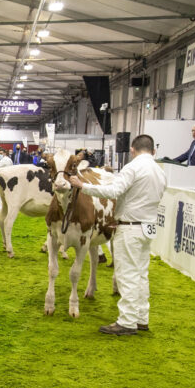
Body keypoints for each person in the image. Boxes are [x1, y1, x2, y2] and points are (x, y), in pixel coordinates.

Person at [68, 133, 166, 336]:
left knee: (127, 274)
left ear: (132, 150)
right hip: (147, 226)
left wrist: (83, 186)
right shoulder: (159, 170)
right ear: (153, 150)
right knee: (141, 274)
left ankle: (127, 321)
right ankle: (141, 318)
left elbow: (114, 191)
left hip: (130, 227)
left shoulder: (134, 167)